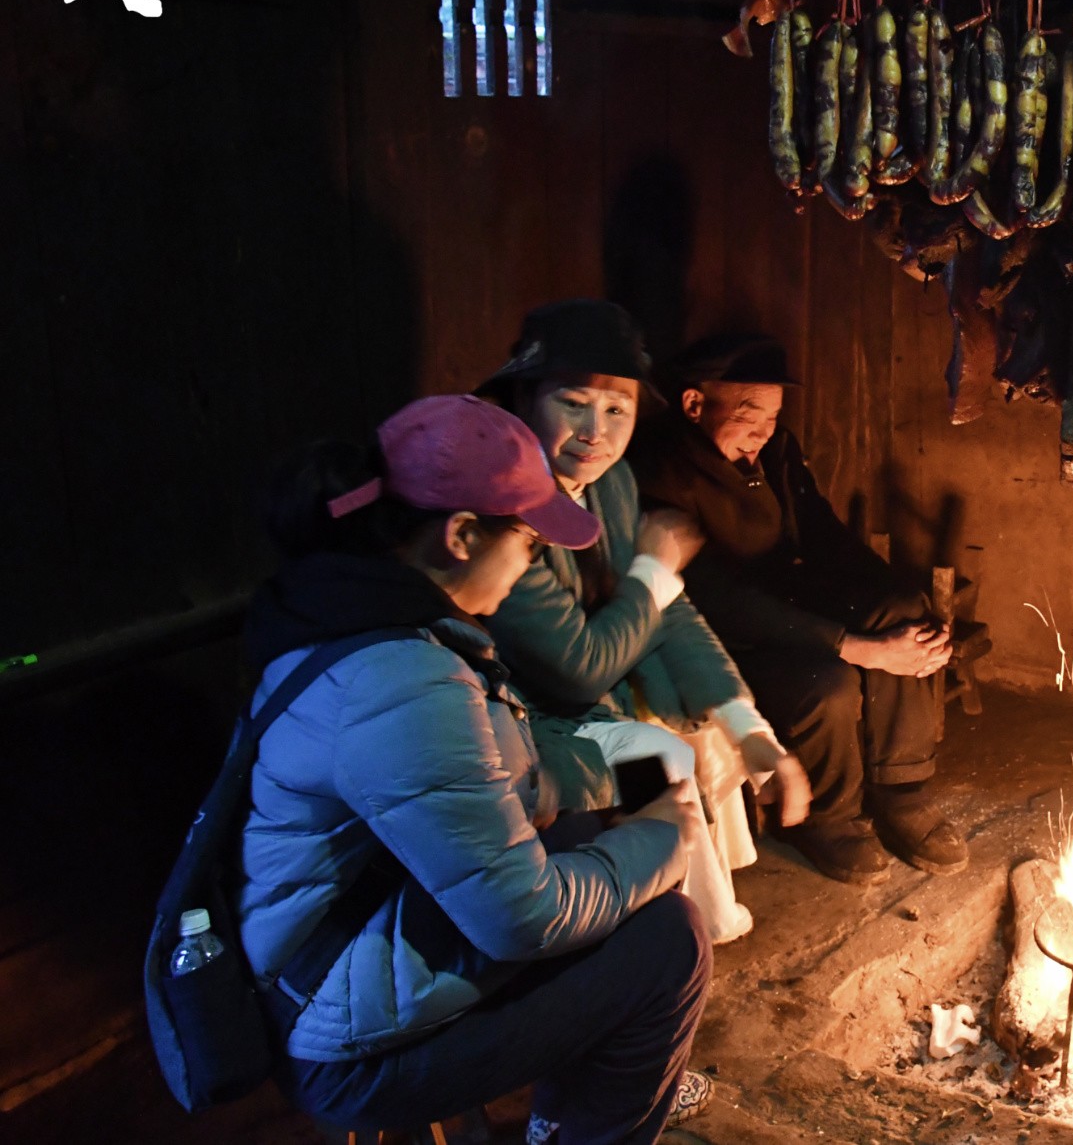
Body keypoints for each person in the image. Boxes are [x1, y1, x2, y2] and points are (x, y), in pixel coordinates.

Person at [234, 395, 713, 1143]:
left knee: (598, 833)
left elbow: (477, 776)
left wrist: (610, 774)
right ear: (461, 534)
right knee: (668, 940)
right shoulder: (401, 678)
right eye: (526, 541)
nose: (529, 562)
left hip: (363, 954)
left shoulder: (371, 620)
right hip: (346, 1040)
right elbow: (524, 918)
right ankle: (580, 1120)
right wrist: (667, 833)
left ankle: (584, 1098)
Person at [477, 300, 810, 944]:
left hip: (608, 690)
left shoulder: (611, 484)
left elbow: (666, 611)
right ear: (524, 400)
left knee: (718, 725)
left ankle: (687, 920)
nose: (594, 431)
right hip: (528, 722)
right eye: (572, 402)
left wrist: (751, 728)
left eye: (616, 410)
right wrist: (653, 569)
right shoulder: (504, 515)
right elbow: (574, 673)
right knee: (662, 754)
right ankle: (666, 939)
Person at [625, 332, 963, 886]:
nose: (763, 433)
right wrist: (853, 645)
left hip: (790, 597)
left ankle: (901, 788)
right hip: (727, 630)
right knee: (826, 684)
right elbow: (717, 600)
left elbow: (824, 534)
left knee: (904, 610)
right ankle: (828, 818)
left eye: (772, 419)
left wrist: (906, 607)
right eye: (749, 417)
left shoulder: (773, 450)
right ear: (694, 405)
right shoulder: (664, 473)